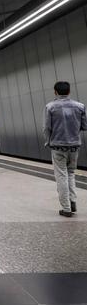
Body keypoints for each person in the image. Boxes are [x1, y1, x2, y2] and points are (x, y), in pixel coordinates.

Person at [43, 81, 87, 217]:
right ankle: (73, 201)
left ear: (55, 92)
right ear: (69, 92)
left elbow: (46, 128)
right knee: (71, 173)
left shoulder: (50, 107)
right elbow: (84, 126)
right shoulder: (80, 106)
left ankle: (66, 208)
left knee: (61, 175)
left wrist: (48, 142)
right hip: (74, 146)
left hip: (57, 146)